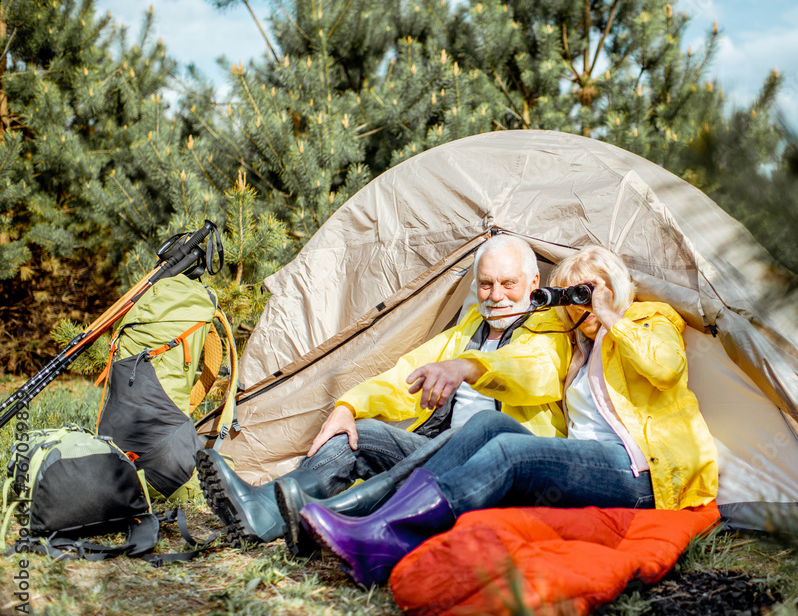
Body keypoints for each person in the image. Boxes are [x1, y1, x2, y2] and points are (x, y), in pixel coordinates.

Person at [299, 245, 719, 588]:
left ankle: (389, 538)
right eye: (574, 296)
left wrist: (610, 315)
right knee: (487, 426)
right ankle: (376, 526)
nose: (583, 304)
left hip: (642, 473)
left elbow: (666, 369)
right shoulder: (572, 345)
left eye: (591, 289)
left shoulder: (651, 319)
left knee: (512, 452)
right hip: (587, 464)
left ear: (615, 286)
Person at [197, 234, 572, 546]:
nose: (496, 296)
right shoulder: (469, 329)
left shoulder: (549, 331)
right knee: (358, 435)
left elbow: (531, 373)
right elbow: (407, 373)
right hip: (438, 456)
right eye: (487, 284)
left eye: (509, 284)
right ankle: (267, 511)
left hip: (500, 473)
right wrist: (349, 406)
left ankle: (306, 520)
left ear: (534, 284)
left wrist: (468, 368)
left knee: (477, 428)